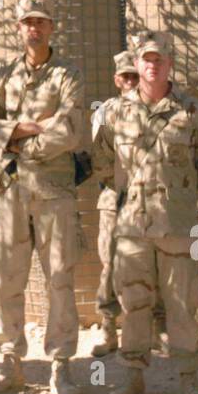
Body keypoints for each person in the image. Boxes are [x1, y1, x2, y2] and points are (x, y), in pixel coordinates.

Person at [92, 32, 198, 394]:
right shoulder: (116, 111)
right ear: (137, 64)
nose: (152, 64)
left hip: (177, 225)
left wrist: (180, 191)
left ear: (170, 64)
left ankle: (189, 380)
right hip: (132, 226)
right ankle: (132, 379)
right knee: (134, 303)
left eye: (160, 59)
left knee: (182, 304)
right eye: (146, 58)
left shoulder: (192, 111)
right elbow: (102, 159)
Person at [0, 0, 84, 394]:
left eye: (40, 22)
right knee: (7, 279)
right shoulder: (3, 73)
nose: (33, 28)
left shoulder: (67, 73)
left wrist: (19, 144)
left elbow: (70, 128)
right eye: (26, 23)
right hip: (11, 190)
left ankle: (61, 366)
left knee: (59, 278)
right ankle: (10, 364)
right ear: (19, 29)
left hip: (54, 191)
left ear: (51, 28)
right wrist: (22, 127)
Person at [89, 49, 140, 358]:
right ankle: (108, 329)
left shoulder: (154, 107)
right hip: (113, 199)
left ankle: (150, 330)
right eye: (125, 76)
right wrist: (118, 185)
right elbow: (99, 157)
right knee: (109, 264)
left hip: (149, 202)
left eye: (135, 75)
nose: (130, 81)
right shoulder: (105, 112)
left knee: (149, 264)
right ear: (116, 79)